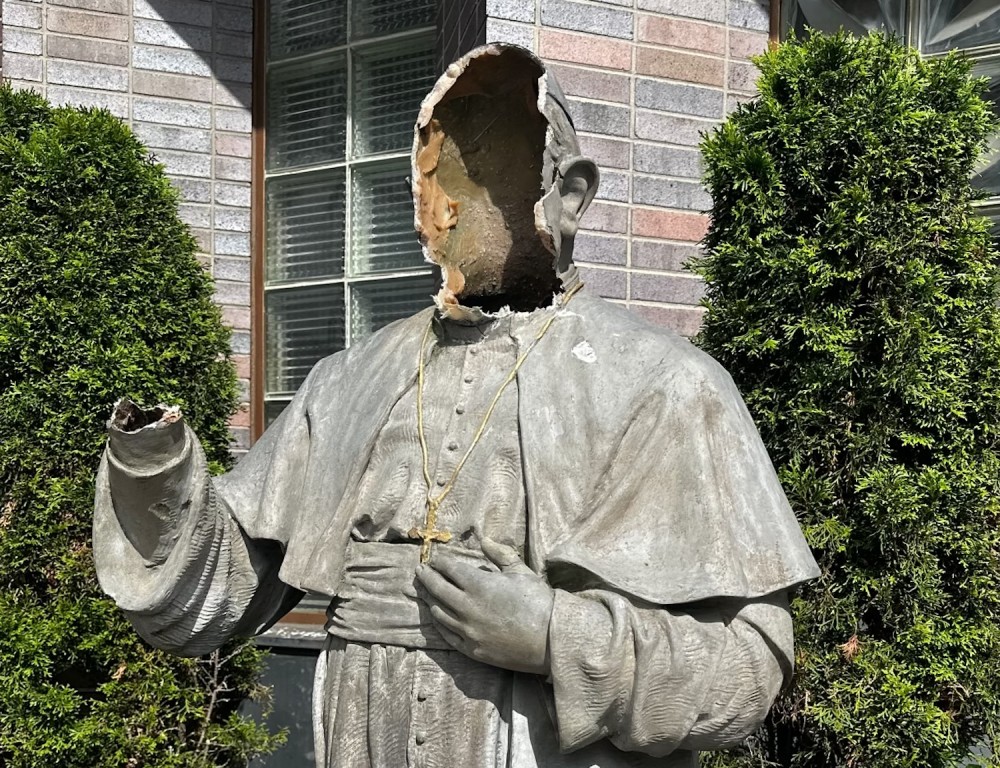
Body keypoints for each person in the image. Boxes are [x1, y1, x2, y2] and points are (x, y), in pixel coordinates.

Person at [94, 43, 819, 768]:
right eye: (434, 179)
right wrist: (157, 467)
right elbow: (218, 594)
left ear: (568, 195)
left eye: (481, 175)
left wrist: (552, 635)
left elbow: (747, 668)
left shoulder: (666, 386)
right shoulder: (351, 378)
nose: (439, 209)